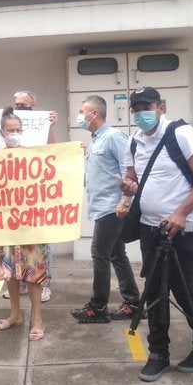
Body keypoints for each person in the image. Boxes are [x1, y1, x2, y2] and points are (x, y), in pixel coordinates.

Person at [117, 86, 193, 382]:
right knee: (154, 290)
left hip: (184, 227)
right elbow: (133, 179)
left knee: (181, 287)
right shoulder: (134, 141)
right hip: (150, 227)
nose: (141, 113)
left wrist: (181, 212)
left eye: (146, 106)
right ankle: (158, 353)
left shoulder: (181, 133)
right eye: (135, 108)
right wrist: (126, 191)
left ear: (160, 107)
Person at [70, 95, 141, 323]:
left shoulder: (113, 137)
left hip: (113, 207)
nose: (80, 116)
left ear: (94, 114)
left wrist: (125, 201)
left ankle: (98, 307)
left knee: (100, 254)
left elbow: (129, 171)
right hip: (103, 206)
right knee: (116, 254)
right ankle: (133, 303)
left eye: (82, 111)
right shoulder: (96, 140)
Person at [0, 107, 49, 341]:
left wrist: (73, 154)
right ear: (1, 132)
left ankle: (38, 320)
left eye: (18, 130)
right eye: (9, 130)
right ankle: (15, 314)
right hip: (3, 225)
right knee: (9, 272)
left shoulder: (32, 155)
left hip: (29, 225)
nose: (14, 134)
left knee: (32, 273)